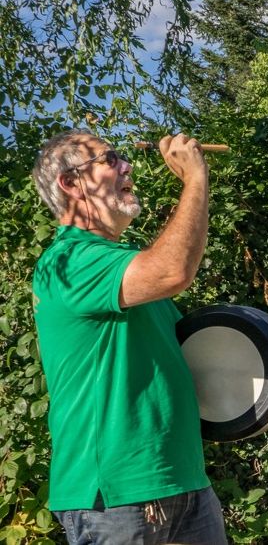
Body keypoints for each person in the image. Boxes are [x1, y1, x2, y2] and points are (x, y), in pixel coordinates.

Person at [31, 130, 226, 544]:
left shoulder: (121, 265)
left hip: (183, 481)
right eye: (110, 159)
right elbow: (173, 270)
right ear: (71, 183)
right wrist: (195, 179)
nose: (127, 165)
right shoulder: (68, 261)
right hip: (117, 496)